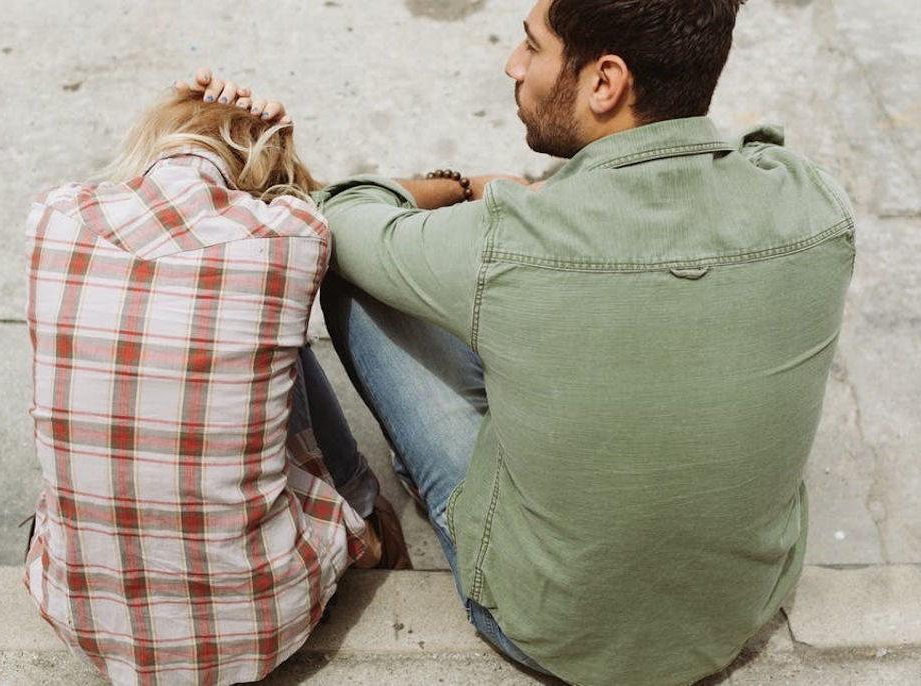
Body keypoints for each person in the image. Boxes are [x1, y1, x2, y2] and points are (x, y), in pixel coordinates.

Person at [199, 0, 856, 682]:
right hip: (736, 617)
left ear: (605, 83)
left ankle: (389, 508)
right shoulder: (816, 203)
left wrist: (467, 187)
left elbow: (338, 214)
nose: (514, 65)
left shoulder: (509, 239)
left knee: (361, 283)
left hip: (542, 629)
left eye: (532, 47)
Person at [23, 87, 410, 686]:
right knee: (269, 343)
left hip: (83, 622)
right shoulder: (293, 236)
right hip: (261, 627)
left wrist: (181, 107)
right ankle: (368, 516)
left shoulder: (53, 217)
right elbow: (304, 205)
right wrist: (271, 138)